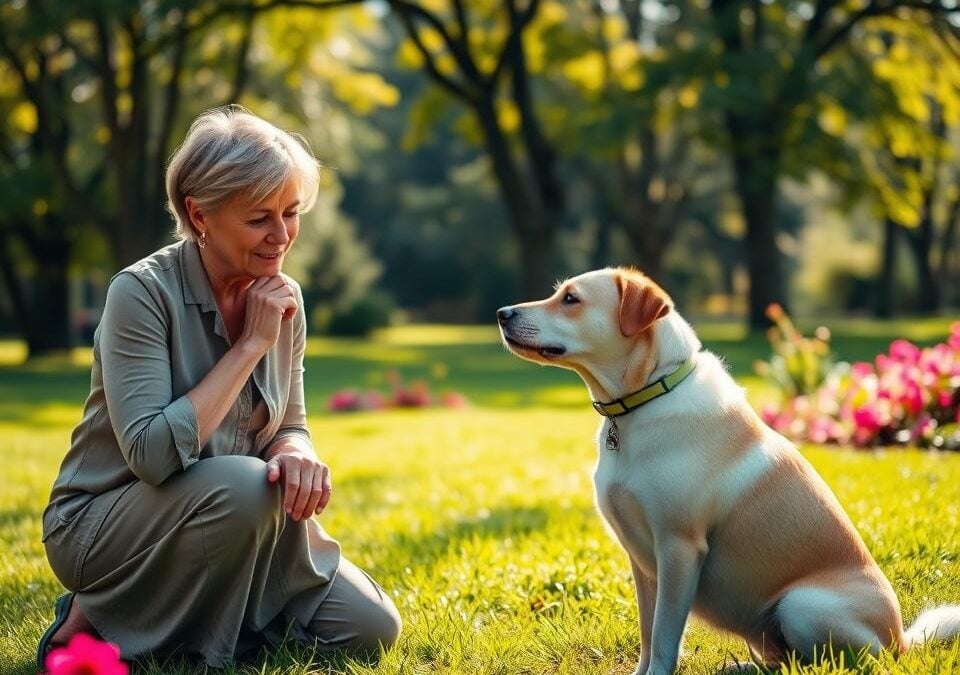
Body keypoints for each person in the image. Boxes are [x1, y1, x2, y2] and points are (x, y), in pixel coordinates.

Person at [37, 106, 401, 669]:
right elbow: (153, 456)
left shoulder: (287, 297)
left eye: (291, 213)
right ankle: (96, 618)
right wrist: (249, 346)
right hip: (104, 527)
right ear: (199, 213)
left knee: (370, 627)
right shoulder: (140, 293)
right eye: (259, 218)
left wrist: (298, 453)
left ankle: (182, 622)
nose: (282, 236)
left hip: (241, 514)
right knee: (247, 486)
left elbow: (291, 423)